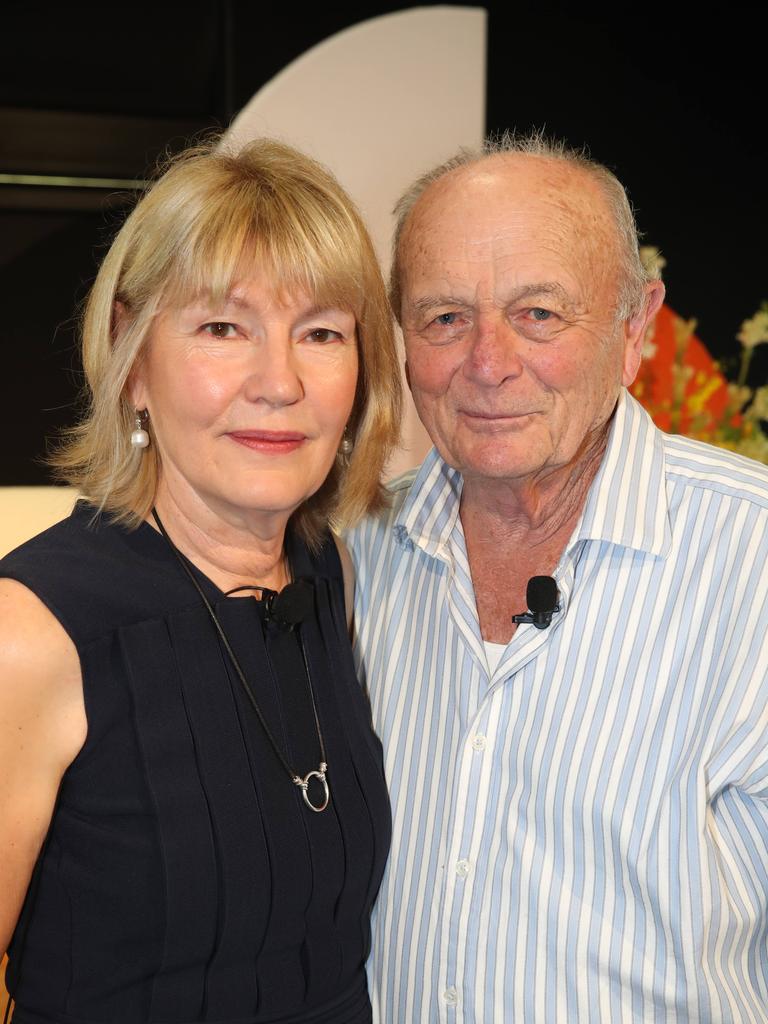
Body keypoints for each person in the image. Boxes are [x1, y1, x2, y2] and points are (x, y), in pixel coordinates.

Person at [347, 134, 768, 1022]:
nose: (489, 364)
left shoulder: (752, 553)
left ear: (634, 327)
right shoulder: (352, 553)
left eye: (539, 313)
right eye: (445, 317)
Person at [0, 137, 400, 1023]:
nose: (280, 381)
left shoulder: (325, 571)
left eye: (322, 333)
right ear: (133, 359)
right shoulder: (28, 633)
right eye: (224, 328)